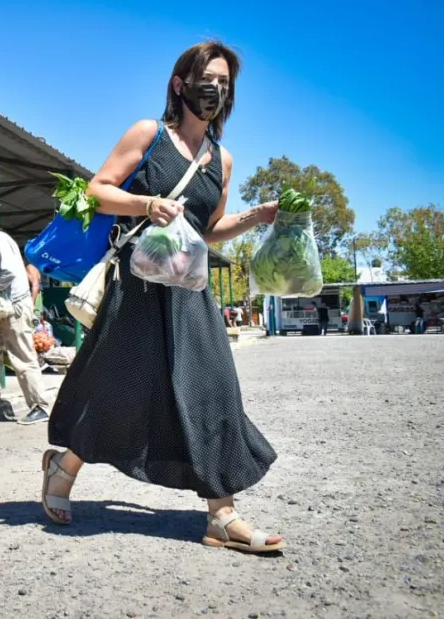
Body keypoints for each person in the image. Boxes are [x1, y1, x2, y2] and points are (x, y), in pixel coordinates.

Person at [42, 41, 285, 554]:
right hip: (138, 287)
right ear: (180, 85)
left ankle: (222, 515)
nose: (216, 89)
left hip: (189, 290)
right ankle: (63, 466)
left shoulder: (222, 159)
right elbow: (95, 190)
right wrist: (145, 201)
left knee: (214, 388)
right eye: (207, 78)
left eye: (224, 82)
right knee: (115, 386)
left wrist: (254, 217)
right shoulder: (149, 135)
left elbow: (210, 228)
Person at [0, 204, 52, 425]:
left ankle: (40, 406)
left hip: (15, 307)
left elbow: (10, 272)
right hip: (3, 310)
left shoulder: (0, 240)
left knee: (22, 357)